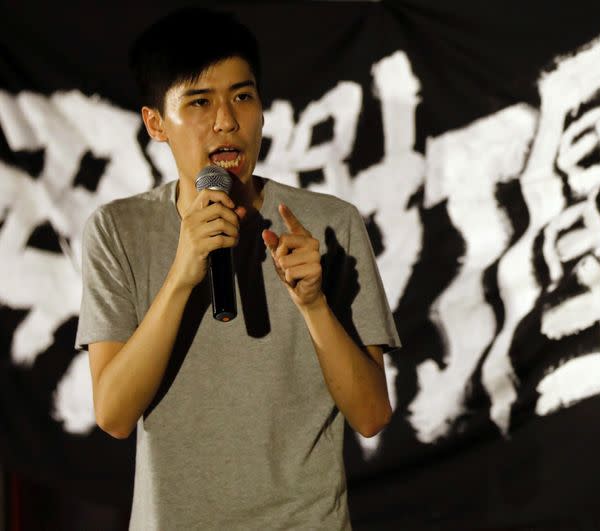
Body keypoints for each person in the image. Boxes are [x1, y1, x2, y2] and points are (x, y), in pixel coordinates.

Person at [75, 7, 400, 530]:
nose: (227, 120)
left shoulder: (328, 223)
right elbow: (113, 414)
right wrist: (183, 273)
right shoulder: (118, 230)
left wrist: (314, 306)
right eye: (200, 102)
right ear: (155, 123)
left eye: (242, 97)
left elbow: (371, 415)